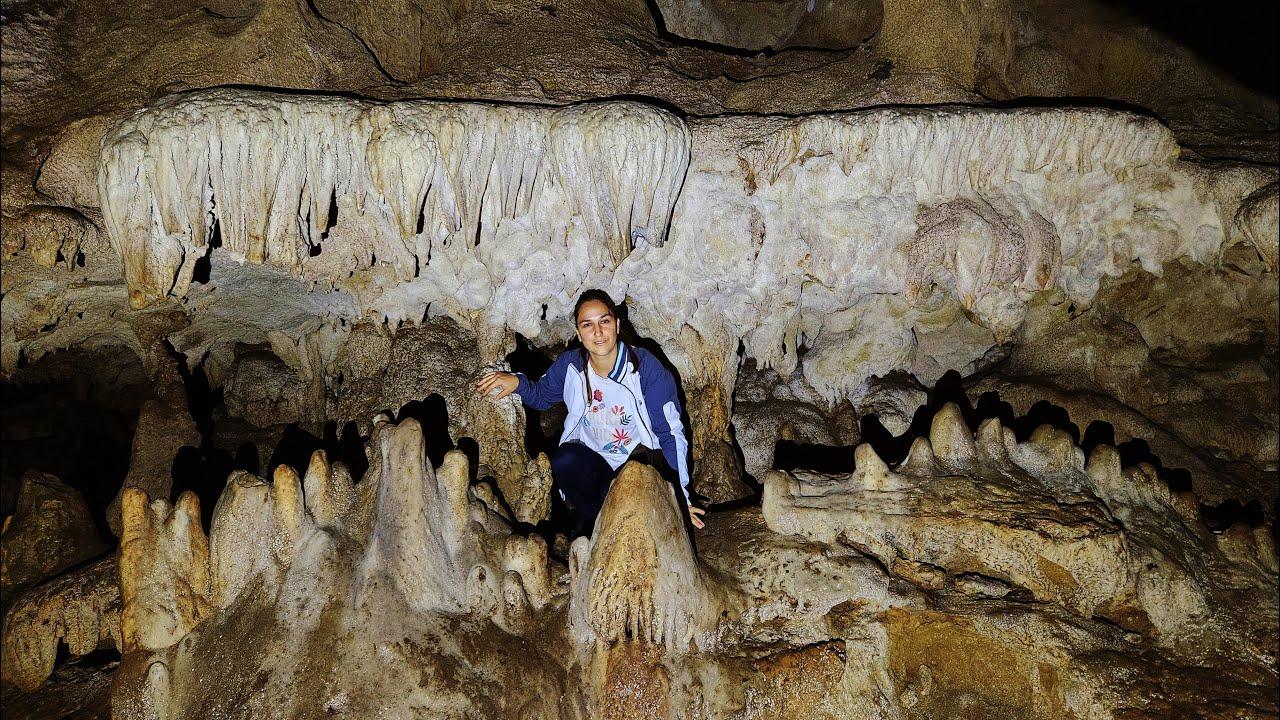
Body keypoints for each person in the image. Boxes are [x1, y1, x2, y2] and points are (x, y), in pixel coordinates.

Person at [476, 289, 706, 536]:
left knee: (637, 492)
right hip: (596, 465)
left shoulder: (644, 368)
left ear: (617, 324)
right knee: (565, 460)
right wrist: (518, 383)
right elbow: (543, 397)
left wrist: (679, 497)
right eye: (588, 325)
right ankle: (592, 528)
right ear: (578, 333)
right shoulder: (571, 365)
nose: (597, 332)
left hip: (639, 462)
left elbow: (669, 432)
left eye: (604, 322)